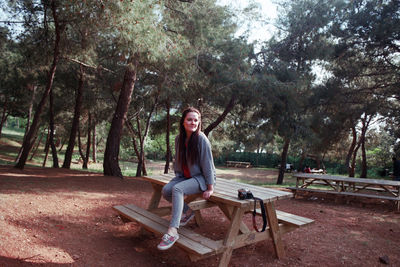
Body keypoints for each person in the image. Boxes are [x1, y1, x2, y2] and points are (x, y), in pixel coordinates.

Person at [157, 107, 216, 250]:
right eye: (189, 119)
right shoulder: (179, 139)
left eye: (196, 120)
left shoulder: (201, 139)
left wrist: (210, 187)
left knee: (177, 189)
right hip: (184, 177)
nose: (193, 122)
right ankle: (188, 211)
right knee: (166, 190)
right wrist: (178, 176)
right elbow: (178, 160)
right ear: (183, 122)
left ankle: (173, 231)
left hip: (200, 178)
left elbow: (208, 164)